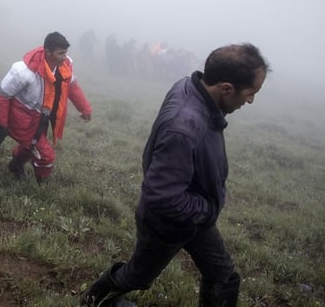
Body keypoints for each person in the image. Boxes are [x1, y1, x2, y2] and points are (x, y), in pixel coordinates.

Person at [80, 43, 270, 307]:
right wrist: (206, 210)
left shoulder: (191, 87)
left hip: (194, 217)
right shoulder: (184, 128)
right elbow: (162, 197)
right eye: (250, 93)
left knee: (222, 275)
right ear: (226, 88)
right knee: (138, 276)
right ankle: (95, 300)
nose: (250, 100)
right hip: (167, 224)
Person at [0, 32, 92, 183]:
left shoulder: (64, 66)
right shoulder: (23, 71)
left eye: (65, 53)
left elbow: (71, 86)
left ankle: (15, 166)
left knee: (30, 146)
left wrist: (84, 108)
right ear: (48, 52)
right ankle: (42, 184)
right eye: (60, 53)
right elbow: (3, 95)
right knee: (46, 155)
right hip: (23, 119)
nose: (64, 57)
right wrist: (1, 126)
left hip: (42, 118)